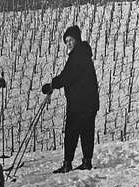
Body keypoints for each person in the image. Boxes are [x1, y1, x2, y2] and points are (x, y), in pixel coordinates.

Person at [42, 25, 99, 173]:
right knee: (87, 132)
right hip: (88, 102)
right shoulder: (84, 54)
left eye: (70, 40)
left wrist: (51, 84)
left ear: (77, 40)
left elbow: (67, 76)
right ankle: (86, 162)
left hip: (79, 103)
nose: (68, 44)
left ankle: (68, 164)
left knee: (71, 133)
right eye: (66, 41)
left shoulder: (78, 55)